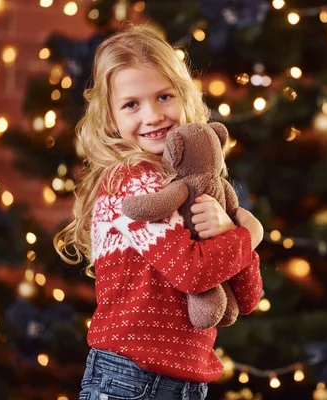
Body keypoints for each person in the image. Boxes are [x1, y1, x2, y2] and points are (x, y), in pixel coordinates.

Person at [54, 24, 264, 400]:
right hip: (130, 379)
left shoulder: (194, 183)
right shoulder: (132, 183)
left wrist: (229, 232)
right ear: (109, 117)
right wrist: (248, 234)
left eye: (164, 96)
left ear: (184, 97)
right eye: (131, 104)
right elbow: (193, 272)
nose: (152, 116)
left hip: (184, 384)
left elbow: (245, 299)